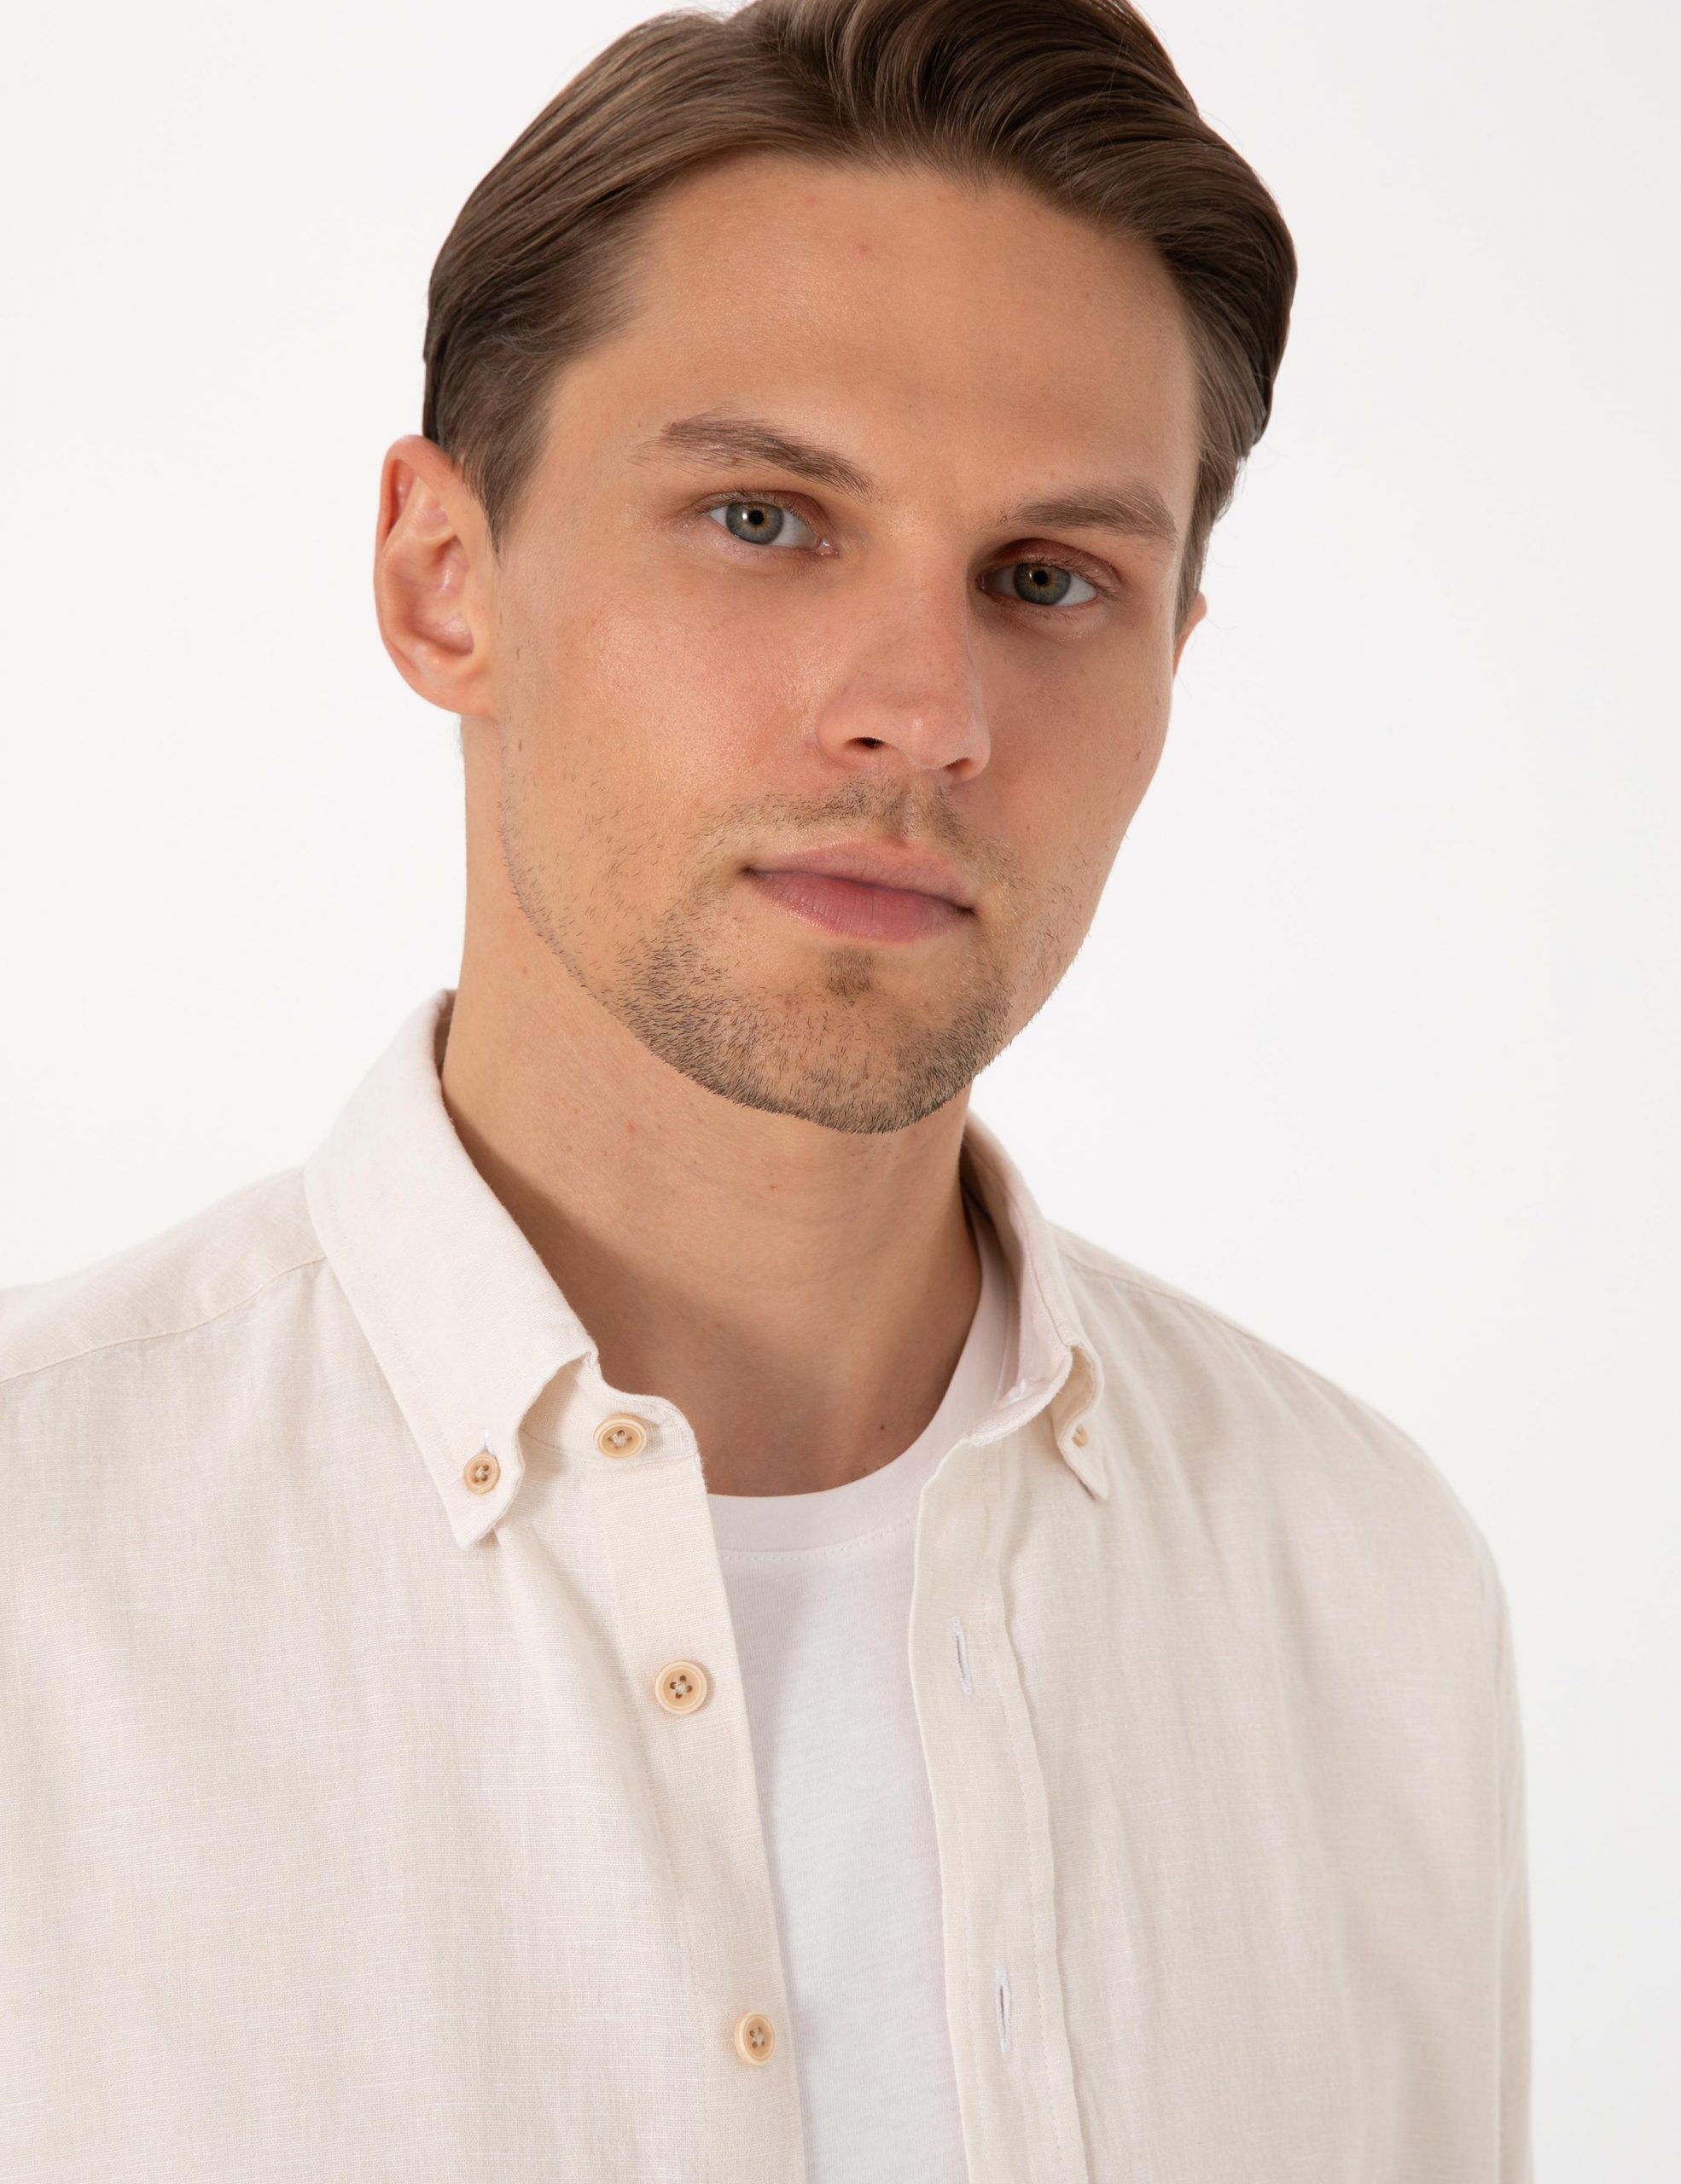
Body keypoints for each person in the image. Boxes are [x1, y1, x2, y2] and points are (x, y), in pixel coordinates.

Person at [0, 1, 1531, 2178]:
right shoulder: (41, 1564)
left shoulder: (1364, 1588)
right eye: (761, 517)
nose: (923, 708)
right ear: (445, 582)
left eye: (1049, 579)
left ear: (1173, 662)